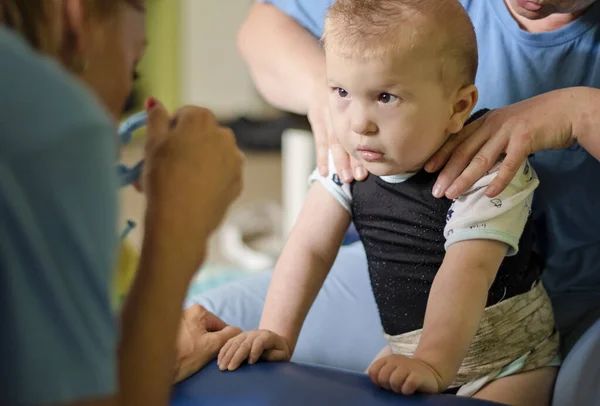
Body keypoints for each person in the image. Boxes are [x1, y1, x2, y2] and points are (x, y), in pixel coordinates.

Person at [180, 0, 600, 375]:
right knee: (192, 333)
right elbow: (263, 26)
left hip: (529, 339)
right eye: (344, 93)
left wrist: (580, 114)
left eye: (385, 97)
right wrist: (336, 94)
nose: (361, 123)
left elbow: (468, 270)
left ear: (460, 107)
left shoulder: (484, 178)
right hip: (398, 291)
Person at [0, 1, 243, 405]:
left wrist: (143, 354)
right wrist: (179, 225)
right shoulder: (52, 125)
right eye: (133, 70)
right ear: (75, 19)